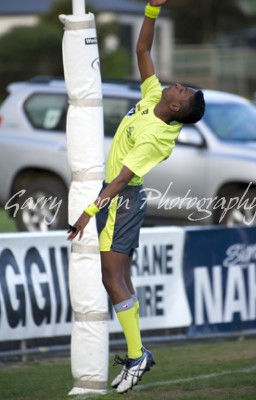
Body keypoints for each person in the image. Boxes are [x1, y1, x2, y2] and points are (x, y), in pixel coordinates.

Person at [67, 0, 205, 394]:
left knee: (112, 278)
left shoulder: (157, 136)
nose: (175, 85)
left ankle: (136, 354)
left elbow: (123, 178)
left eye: (181, 90)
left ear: (176, 106)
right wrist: (151, 9)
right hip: (119, 199)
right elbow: (142, 50)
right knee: (118, 277)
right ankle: (136, 352)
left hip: (120, 201)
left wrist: (86, 212)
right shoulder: (153, 99)